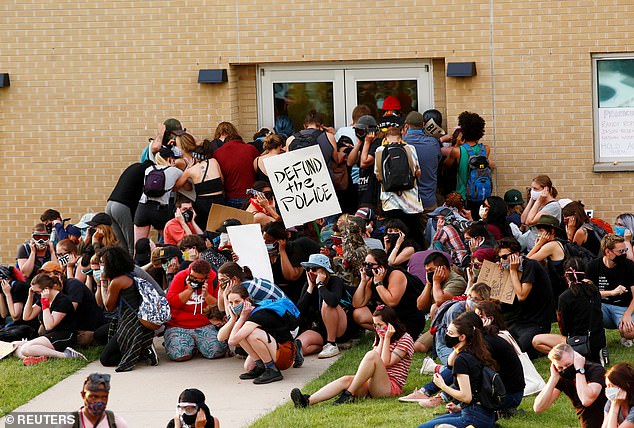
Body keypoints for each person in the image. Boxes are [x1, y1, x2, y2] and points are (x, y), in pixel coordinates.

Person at [290, 305, 414, 407]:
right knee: (346, 379)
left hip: (390, 387)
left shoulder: (405, 339)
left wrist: (386, 338)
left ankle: (349, 394)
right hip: (373, 383)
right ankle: (307, 401)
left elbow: (385, 362)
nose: (377, 329)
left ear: (391, 324)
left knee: (371, 355)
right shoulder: (380, 336)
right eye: (375, 325)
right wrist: (382, 338)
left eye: (380, 325)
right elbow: (375, 360)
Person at [416, 314, 498, 428]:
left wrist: (442, 386)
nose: (446, 335)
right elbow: (450, 363)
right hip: (485, 415)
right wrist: (458, 407)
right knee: (431, 423)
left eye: (450, 333)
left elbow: (466, 396)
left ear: (462, 337)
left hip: (473, 417)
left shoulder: (462, 360)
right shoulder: (476, 351)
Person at [217, 284, 296, 385]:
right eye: (231, 303)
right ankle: (261, 367)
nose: (234, 306)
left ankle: (272, 369)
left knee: (252, 334)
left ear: (247, 300)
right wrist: (233, 319)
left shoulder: (258, 314)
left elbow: (232, 341)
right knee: (248, 367)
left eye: (237, 302)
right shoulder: (244, 314)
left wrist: (241, 318)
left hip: (285, 353)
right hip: (273, 348)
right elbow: (220, 337)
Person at [99, 246, 157, 372]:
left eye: (103, 263)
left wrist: (103, 283)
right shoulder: (130, 275)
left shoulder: (117, 282)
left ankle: (142, 350)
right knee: (99, 334)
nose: (101, 266)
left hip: (131, 323)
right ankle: (142, 345)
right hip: (139, 319)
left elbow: (109, 306)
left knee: (106, 359)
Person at [496, 237, 553, 357]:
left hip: (537, 322)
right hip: (521, 321)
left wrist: (512, 271)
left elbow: (521, 295)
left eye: (505, 257)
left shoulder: (530, 266)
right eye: (500, 257)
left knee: (517, 352)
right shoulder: (513, 268)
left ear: (516, 254)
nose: (502, 261)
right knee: (500, 344)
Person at [352, 249, 425, 340]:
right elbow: (357, 304)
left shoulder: (396, 275)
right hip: (390, 318)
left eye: (370, 265)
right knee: (358, 314)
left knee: (401, 340)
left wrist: (379, 283)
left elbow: (392, 302)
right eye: (365, 264)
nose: (367, 268)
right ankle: (385, 332)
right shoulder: (372, 279)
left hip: (408, 318)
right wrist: (363, 282)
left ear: (381, 266)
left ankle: (398, 334)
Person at [17, 273, 86, 365]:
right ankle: (43, 356)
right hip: (50, 336)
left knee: (25, 349)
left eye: (37, 292)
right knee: (17, 346)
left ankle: (66, 355)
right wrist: (30, 296)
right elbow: (26, 317)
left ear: (46, 289)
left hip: (63, 336)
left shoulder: (62, 301)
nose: (37, 294)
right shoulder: (43, 298)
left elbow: (49, 325)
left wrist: (45, 304)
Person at [534, 343, 607, 428]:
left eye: (568, 365)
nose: (565, 370)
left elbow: (586, 400)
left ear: (576, 358)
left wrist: (579, 370)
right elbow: (538, 407)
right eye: (560, 368)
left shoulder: (596, 370)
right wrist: (553, 378)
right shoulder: (563, 377)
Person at [164, 259, 224, 361]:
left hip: (204, 324)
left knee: (216, 352)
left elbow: (219, 307)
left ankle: (196, 344)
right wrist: (189, 290)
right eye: (192, 277)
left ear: (206, 278)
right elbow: (171, 302)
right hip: (179, 325)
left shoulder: (214, 280)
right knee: (180, 355)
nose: (194, 280)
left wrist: (207, 296)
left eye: (198, 279)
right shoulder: (181, 277)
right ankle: (188, 345)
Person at [374, 127, 424, 244]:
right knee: (414, 233)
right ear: (401, 137)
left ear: (385, 138)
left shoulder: (379, 150)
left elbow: (378, 175)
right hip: (411, 202)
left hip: (390, 201)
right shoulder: (410, 148)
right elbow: (417, 171)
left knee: (394, 234)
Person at [296, 254, 348, 359]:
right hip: (320, 328)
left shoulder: (335, 281)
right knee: (301, 347)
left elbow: (333, 302)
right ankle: (325, 346)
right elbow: (298, 311)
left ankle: (332, 344)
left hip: (339, 324)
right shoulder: (308, 284)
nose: (310, 272)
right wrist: (310, 288)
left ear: (324, 271)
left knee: (327, 303)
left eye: (314, 269)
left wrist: (320, 285)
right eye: (308, 269)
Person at [586, 234, 634, 348]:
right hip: (602, 306)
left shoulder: (629, 266)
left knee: (630, 332)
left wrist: (627, 314)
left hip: (623, 307)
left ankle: (625, 335)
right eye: (620, 251)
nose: (624, 254)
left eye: (625, 250)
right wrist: (612, 292)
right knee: (586, 306)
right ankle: (595, 339)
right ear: (608, 252)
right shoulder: (593, 266)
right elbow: (588, 292)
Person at [444, 111, 493, 218]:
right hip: (481, 194)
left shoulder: (457, 151)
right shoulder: (486, 149)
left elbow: (446, 165)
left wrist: (457, 143)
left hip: (463, 196)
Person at [134, 147, 186, 244]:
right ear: (170, 159)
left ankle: (137, 258)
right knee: (171, 243)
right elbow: (187, 186)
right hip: (159, 210)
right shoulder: (175, 171)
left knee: (138, 245)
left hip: (142, 208)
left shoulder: (149, 169)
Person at [173, 143, 224, 231]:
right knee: (218, 228)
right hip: (218, 200)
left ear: (195, 157)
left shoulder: (190, 170)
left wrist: (188, 168)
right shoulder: (213, 161)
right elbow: (222, 181)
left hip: (202, 203)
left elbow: (176, 187)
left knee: (202, 229)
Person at [402, 110, 443, 211]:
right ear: (423, 125)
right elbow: (439, 161)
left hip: (408, 203)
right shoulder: (433, 143)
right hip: (429, 201)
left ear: (406, 125)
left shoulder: (401, 144)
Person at [213, 133, 261, 209]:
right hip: (250, 196)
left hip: (230, 197)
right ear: (241, 140)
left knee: (233, 220)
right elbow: (259, 168)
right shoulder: (251, 149)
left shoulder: (217, 153)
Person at [527, 214, 568, 300]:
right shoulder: (558, 243)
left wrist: (538, 245)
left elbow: (526, 262)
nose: (539, 235)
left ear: (552, 232)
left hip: (559, 290)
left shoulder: (551, 246)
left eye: (541, 231)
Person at [520, 174, 562, 251]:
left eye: (535, 189)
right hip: (531, 247)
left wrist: (538, 201)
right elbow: (523, 220)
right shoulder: (537, 204)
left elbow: (530, 221)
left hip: (542, 249)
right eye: (532, 188)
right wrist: (532, 200)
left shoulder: (553, 206)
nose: (533, 191)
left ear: (546, 190)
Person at [602, 363, 634, 428]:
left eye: (611, 386)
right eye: (607, 386)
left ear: (625, 385)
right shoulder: (611, 401)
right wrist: (614, 404)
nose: (608, 390)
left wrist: (615, 405)